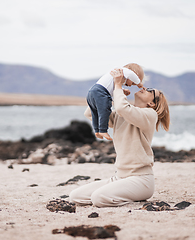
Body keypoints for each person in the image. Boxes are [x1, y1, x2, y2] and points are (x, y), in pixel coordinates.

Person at [69, 68, 170, 207]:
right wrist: (109, 94)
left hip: (141, 180)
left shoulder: (150, 115)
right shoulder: (122, 114)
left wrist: (117, 86)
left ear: (152, 103)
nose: (145, 88)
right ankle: (124, 194)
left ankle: (134, 198)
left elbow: (123, 108)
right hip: (120, 177)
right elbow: (91, 113)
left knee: (99, 198)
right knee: (75, 196)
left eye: (151, 91)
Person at [86, 63, 144, 141]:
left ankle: (97, 130)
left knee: (95, 112)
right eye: (133, 83)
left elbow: (113, 88)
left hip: (92, 91)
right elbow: (131, 74)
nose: (131, 85)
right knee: (105, 110)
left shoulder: (114, 76)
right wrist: (138, 82)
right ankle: (103, 130)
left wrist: (122, 90)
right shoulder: (124, 71)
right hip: (100, 92)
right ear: (134, 73)